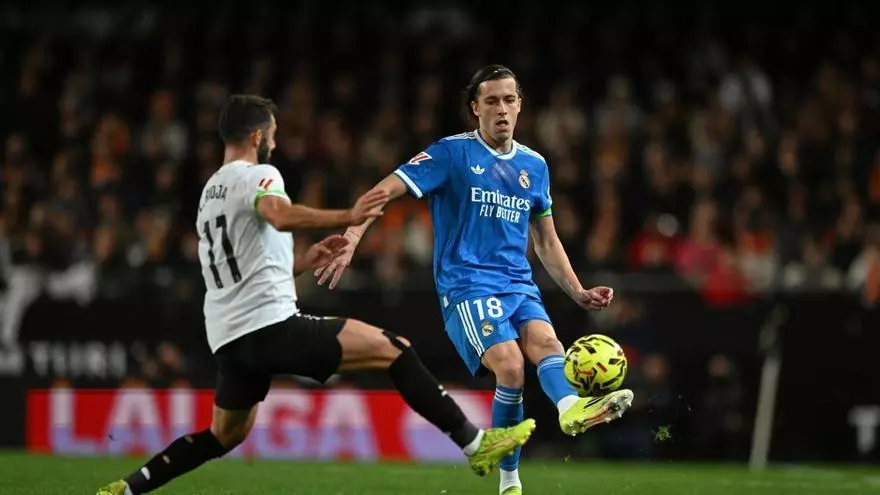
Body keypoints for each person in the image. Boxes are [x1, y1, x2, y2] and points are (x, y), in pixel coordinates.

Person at [96, 94, 535, 495]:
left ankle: (128, 487)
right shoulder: (260, 175)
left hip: (229, 339)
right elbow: (278, 213)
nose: (274, 142)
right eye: (272, 133)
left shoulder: (210, 193)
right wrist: (348, 214)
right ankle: (475, 443)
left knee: (222, 436)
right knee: (395, 350)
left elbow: (239, 269)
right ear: (257, 135)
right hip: (270, 327)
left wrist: (303, 262)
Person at [315, 65, 634, 495]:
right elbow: (387, 189)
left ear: (520, 105)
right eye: (491, 101)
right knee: (511, 365)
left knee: (547, 345)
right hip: (466, 284)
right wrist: (352, 234)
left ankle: (569, 407)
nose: (501, 109)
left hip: (518, 283)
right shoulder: (451, 154)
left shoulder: (534, 165)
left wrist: (576, 290)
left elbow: (545, 239)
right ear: (475, 109)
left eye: (509, 100)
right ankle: (509, 478)